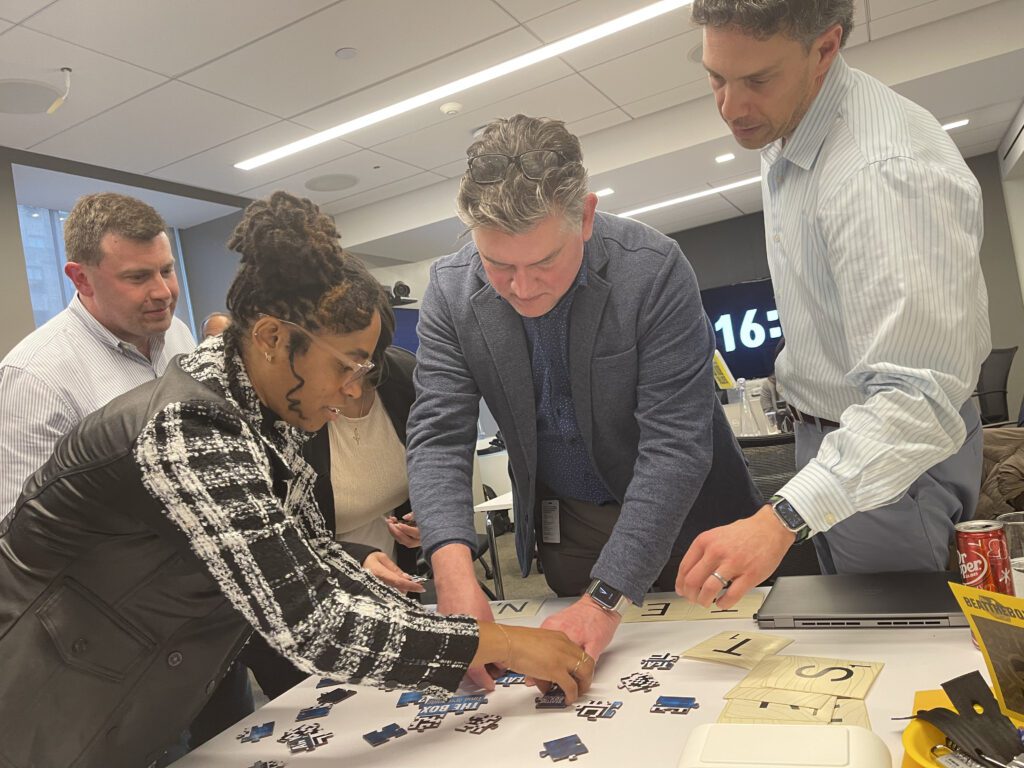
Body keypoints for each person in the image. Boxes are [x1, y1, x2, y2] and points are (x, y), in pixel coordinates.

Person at [0, 191, 592, 768]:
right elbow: (311, 623)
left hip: (136, 674)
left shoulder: (260, 402)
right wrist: (503, 643)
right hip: (45, 694)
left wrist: (444, 638)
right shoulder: (188, 424)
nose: (355, 389)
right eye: (344, 366)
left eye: (364, 369)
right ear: (272, 339)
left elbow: (311, 557)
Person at [407, 114, 761, 689]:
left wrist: (604, 601)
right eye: (499, 265)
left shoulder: (651, 270)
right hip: (571, 528)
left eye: (544, 262)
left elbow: (675, 447)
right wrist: (453, 576)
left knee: (717, 679)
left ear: (586, 216)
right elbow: (438, 437)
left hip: (695, 527)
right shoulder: (449, 291)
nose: (522, 288)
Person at [676, 0, 990, 608]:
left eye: (757, 80)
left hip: (894, 461)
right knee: (852, 628)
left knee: (898, 654)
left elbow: (917, 398)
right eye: (717, 77)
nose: (731, 107)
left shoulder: (881, 172)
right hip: (833, 441)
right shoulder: (788, 124)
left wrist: (778, 520)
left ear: (825, 49)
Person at [0, 192, 195, 522]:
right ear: (81, 279)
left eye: (167, 270)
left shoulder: (177, 331)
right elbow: (20, 529)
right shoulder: (35, 377)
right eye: (138, 276)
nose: (163, 291)